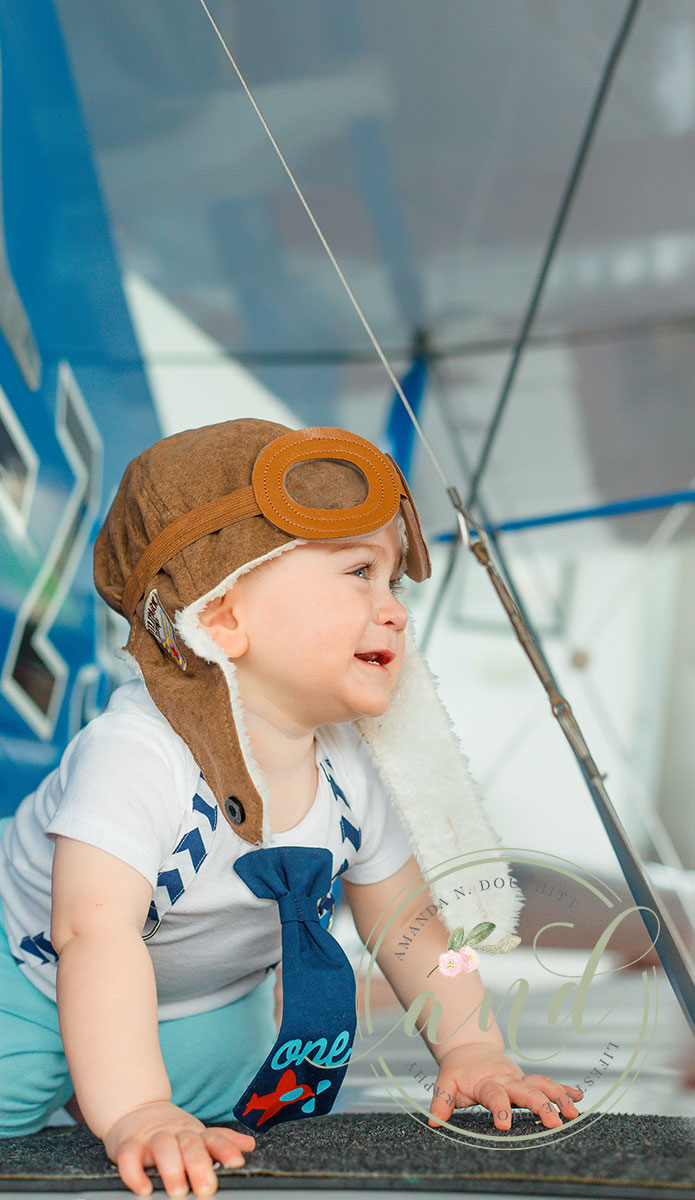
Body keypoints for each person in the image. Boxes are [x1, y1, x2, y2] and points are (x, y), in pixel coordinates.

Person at [0, 419, 582, 1199]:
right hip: (27, 972)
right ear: (222, 617)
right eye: (358, 573)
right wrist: (137, 1108)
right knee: (37, 1094)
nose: (394, 611)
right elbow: (92, 934)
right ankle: (93, 1083)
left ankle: (121, 1085)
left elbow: (408, 923)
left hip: (202, 1004)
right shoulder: (136, 751)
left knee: (235, 1128)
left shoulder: (355, 763)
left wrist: (474, 1051)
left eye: (393, 583)